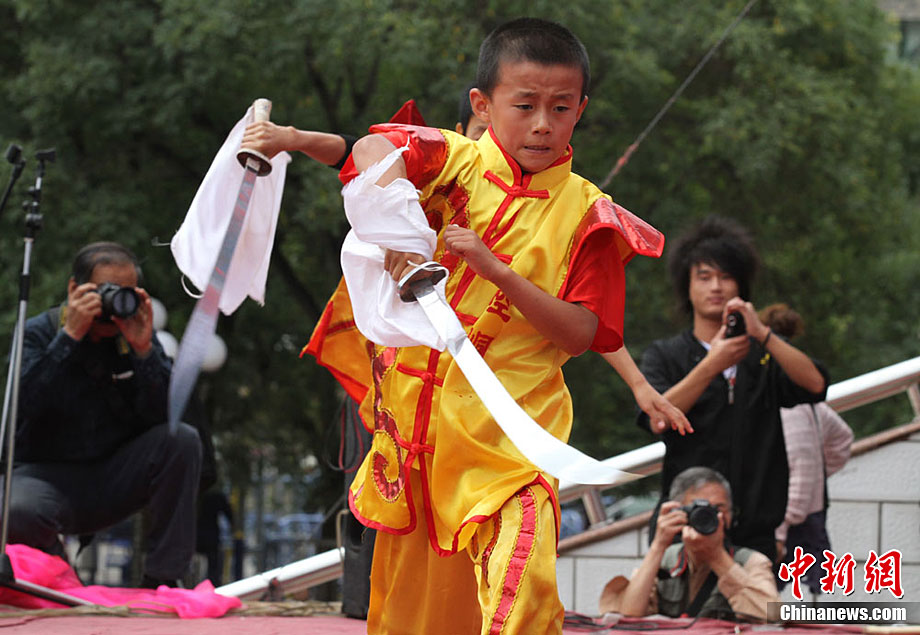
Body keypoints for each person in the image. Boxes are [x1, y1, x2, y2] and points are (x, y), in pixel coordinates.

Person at [247, 17, 666, 633]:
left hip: (509, 447)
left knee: (523, 587)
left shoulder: (589, 215)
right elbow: (368, 151)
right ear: (483, 104)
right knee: (417, 618)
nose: (543, 124)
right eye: (525, 105)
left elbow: (580, 334)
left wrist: (497, 271)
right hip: (416, 438)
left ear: (581, 110)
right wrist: (396, 226)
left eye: (560, 108)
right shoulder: (451, 160)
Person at [9, 241, 202, 588]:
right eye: (104, 292)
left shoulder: (134, 338)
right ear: (74, 289)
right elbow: (23, 405)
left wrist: (144, 353)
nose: (114, 303)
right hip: (43, 480)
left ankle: (163, 579)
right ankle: (57, 575)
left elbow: (167, 417)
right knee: (14, 507)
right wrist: (69, 338)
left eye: (124, 293)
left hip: (112, 477)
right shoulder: (39, 332)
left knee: (182, 440)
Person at [637, 216, 828, 562]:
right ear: (686, 286)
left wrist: (763, 334)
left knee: (756, 599)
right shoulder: (664, 355)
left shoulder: (762, 353)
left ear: (741, 286)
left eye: (726, 277)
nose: (716, 287)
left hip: (756, 533)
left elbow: (816, 384)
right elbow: (658, 419)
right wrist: (712, 365)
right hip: (685, 529)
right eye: (704, 277)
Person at [598, 467, 780, 621]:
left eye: (718, 509)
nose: (708, 516)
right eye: (698, 509)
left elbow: (774, 616)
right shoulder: (666, 559)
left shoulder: (751, 561)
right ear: (677, 512)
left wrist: (717, 558)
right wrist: (658, 546)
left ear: (731, 515)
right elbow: (628, 617)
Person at [758, 303, 853, 593]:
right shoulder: (811, 405)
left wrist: (782, 527)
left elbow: (801, 466)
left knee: (764, 596)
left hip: (789, 522)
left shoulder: (789, 405)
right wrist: (818, 477)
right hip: (808, 513)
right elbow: (842, 438)